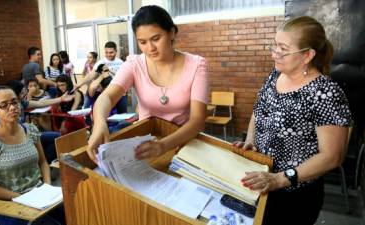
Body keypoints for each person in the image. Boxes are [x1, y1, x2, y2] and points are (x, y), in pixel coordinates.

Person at [232, 16, 351, 225]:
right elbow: (259, 110)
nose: (274, 54)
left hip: (294, 194)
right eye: (274, 45)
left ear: (307, 55)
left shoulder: (325, 93)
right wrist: (251, 139)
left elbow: (332, 156)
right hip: (263, 180)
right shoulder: (275, 75)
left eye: (283, 49)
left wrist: (279, 179)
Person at [86, 5, 208, 163]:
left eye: (156, 39)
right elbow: (107, 97)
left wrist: (164, 146)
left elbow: (198, 120)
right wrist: (100, 122)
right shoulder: (134, 64)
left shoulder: (196, 65)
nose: (150, 48)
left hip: (182, 142)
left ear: (171, 32)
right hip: (146, 143)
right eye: (142, 42)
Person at [0, 86, 64, 225]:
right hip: (11, 203)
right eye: (4, 105)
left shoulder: (30, 130)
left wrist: (46, 186)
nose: (12, 108)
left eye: (14, 102)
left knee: (74, 213)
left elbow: (42, 163)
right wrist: (22, 198)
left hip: (40, 195)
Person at [77, 42, 128, 113]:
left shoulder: (120, 62)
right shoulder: (101, 62)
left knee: (122, 115)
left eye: (111, 52)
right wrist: (80, 84)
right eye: (106, 52)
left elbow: (124, 78)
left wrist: (110, 70)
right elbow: (91, 75)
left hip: (120, 93)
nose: (108, 55)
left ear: (116, 51)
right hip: (106, 91)